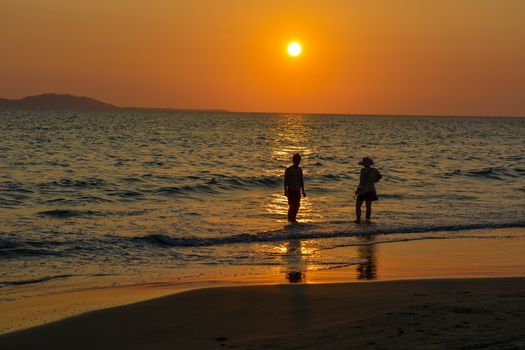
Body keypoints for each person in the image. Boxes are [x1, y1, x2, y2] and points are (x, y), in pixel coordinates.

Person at [355, 157, 382, 222]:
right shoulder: (374, 170)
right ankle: (367, 219)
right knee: (368, 206)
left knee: (358, 206)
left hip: (363, 190)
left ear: (364, 164)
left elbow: (362, 181)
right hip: (371, 190)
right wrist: (374, 181)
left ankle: (358, 220)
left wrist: (358, 190)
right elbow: (380, 176)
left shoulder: (362, 170)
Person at [284, 153, 306, 223]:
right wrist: (285, 191)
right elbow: (285, 181)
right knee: (292, 206)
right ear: (293, 160)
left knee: (297, 206)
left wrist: (303, 191)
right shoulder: (289, 169)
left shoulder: (300, 170)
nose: (298, 161)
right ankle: (290, 220)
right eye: (296, 160)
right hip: (291, 190)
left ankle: (293, 219)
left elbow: (301, 180)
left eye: (299, 160)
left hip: (297, 191)